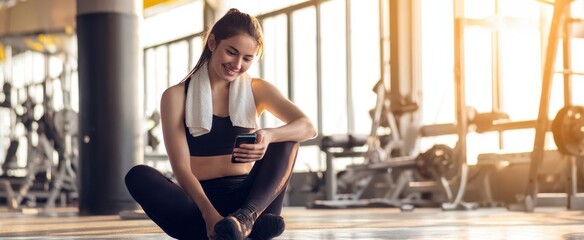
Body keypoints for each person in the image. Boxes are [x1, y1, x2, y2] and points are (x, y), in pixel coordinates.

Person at [125, 8, 317, 240]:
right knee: (138, 176)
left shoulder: (258, 89)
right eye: (232, 52)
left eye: (247, 58)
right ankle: (228, 230)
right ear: (213, 43)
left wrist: (268, 135)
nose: (237, 64)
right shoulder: (176, 96)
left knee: (287, 139)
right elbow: (181, 167)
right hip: (198, 205)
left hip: (248, 202)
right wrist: (209, 214)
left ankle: (246, 222)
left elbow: (308, 127)